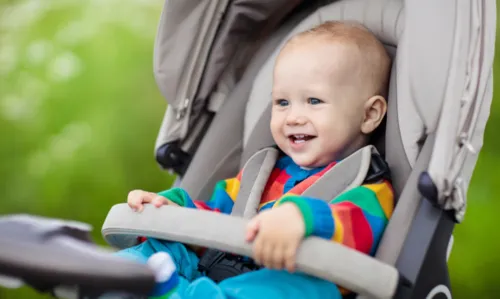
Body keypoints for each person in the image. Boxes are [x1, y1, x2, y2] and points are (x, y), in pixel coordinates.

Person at [116, 20, 393, 299]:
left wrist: (303, 218)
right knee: (161, 247)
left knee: (289, 290)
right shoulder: (260, 173)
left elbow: (355, 233)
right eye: (282, 103)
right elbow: (215, 218)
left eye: (314, 101)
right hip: (215, 270)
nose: (293, 117)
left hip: (287, 279)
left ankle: (166, 289)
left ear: (369, 115)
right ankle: (131, 278)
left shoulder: (369, 189)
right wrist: (173, 209)